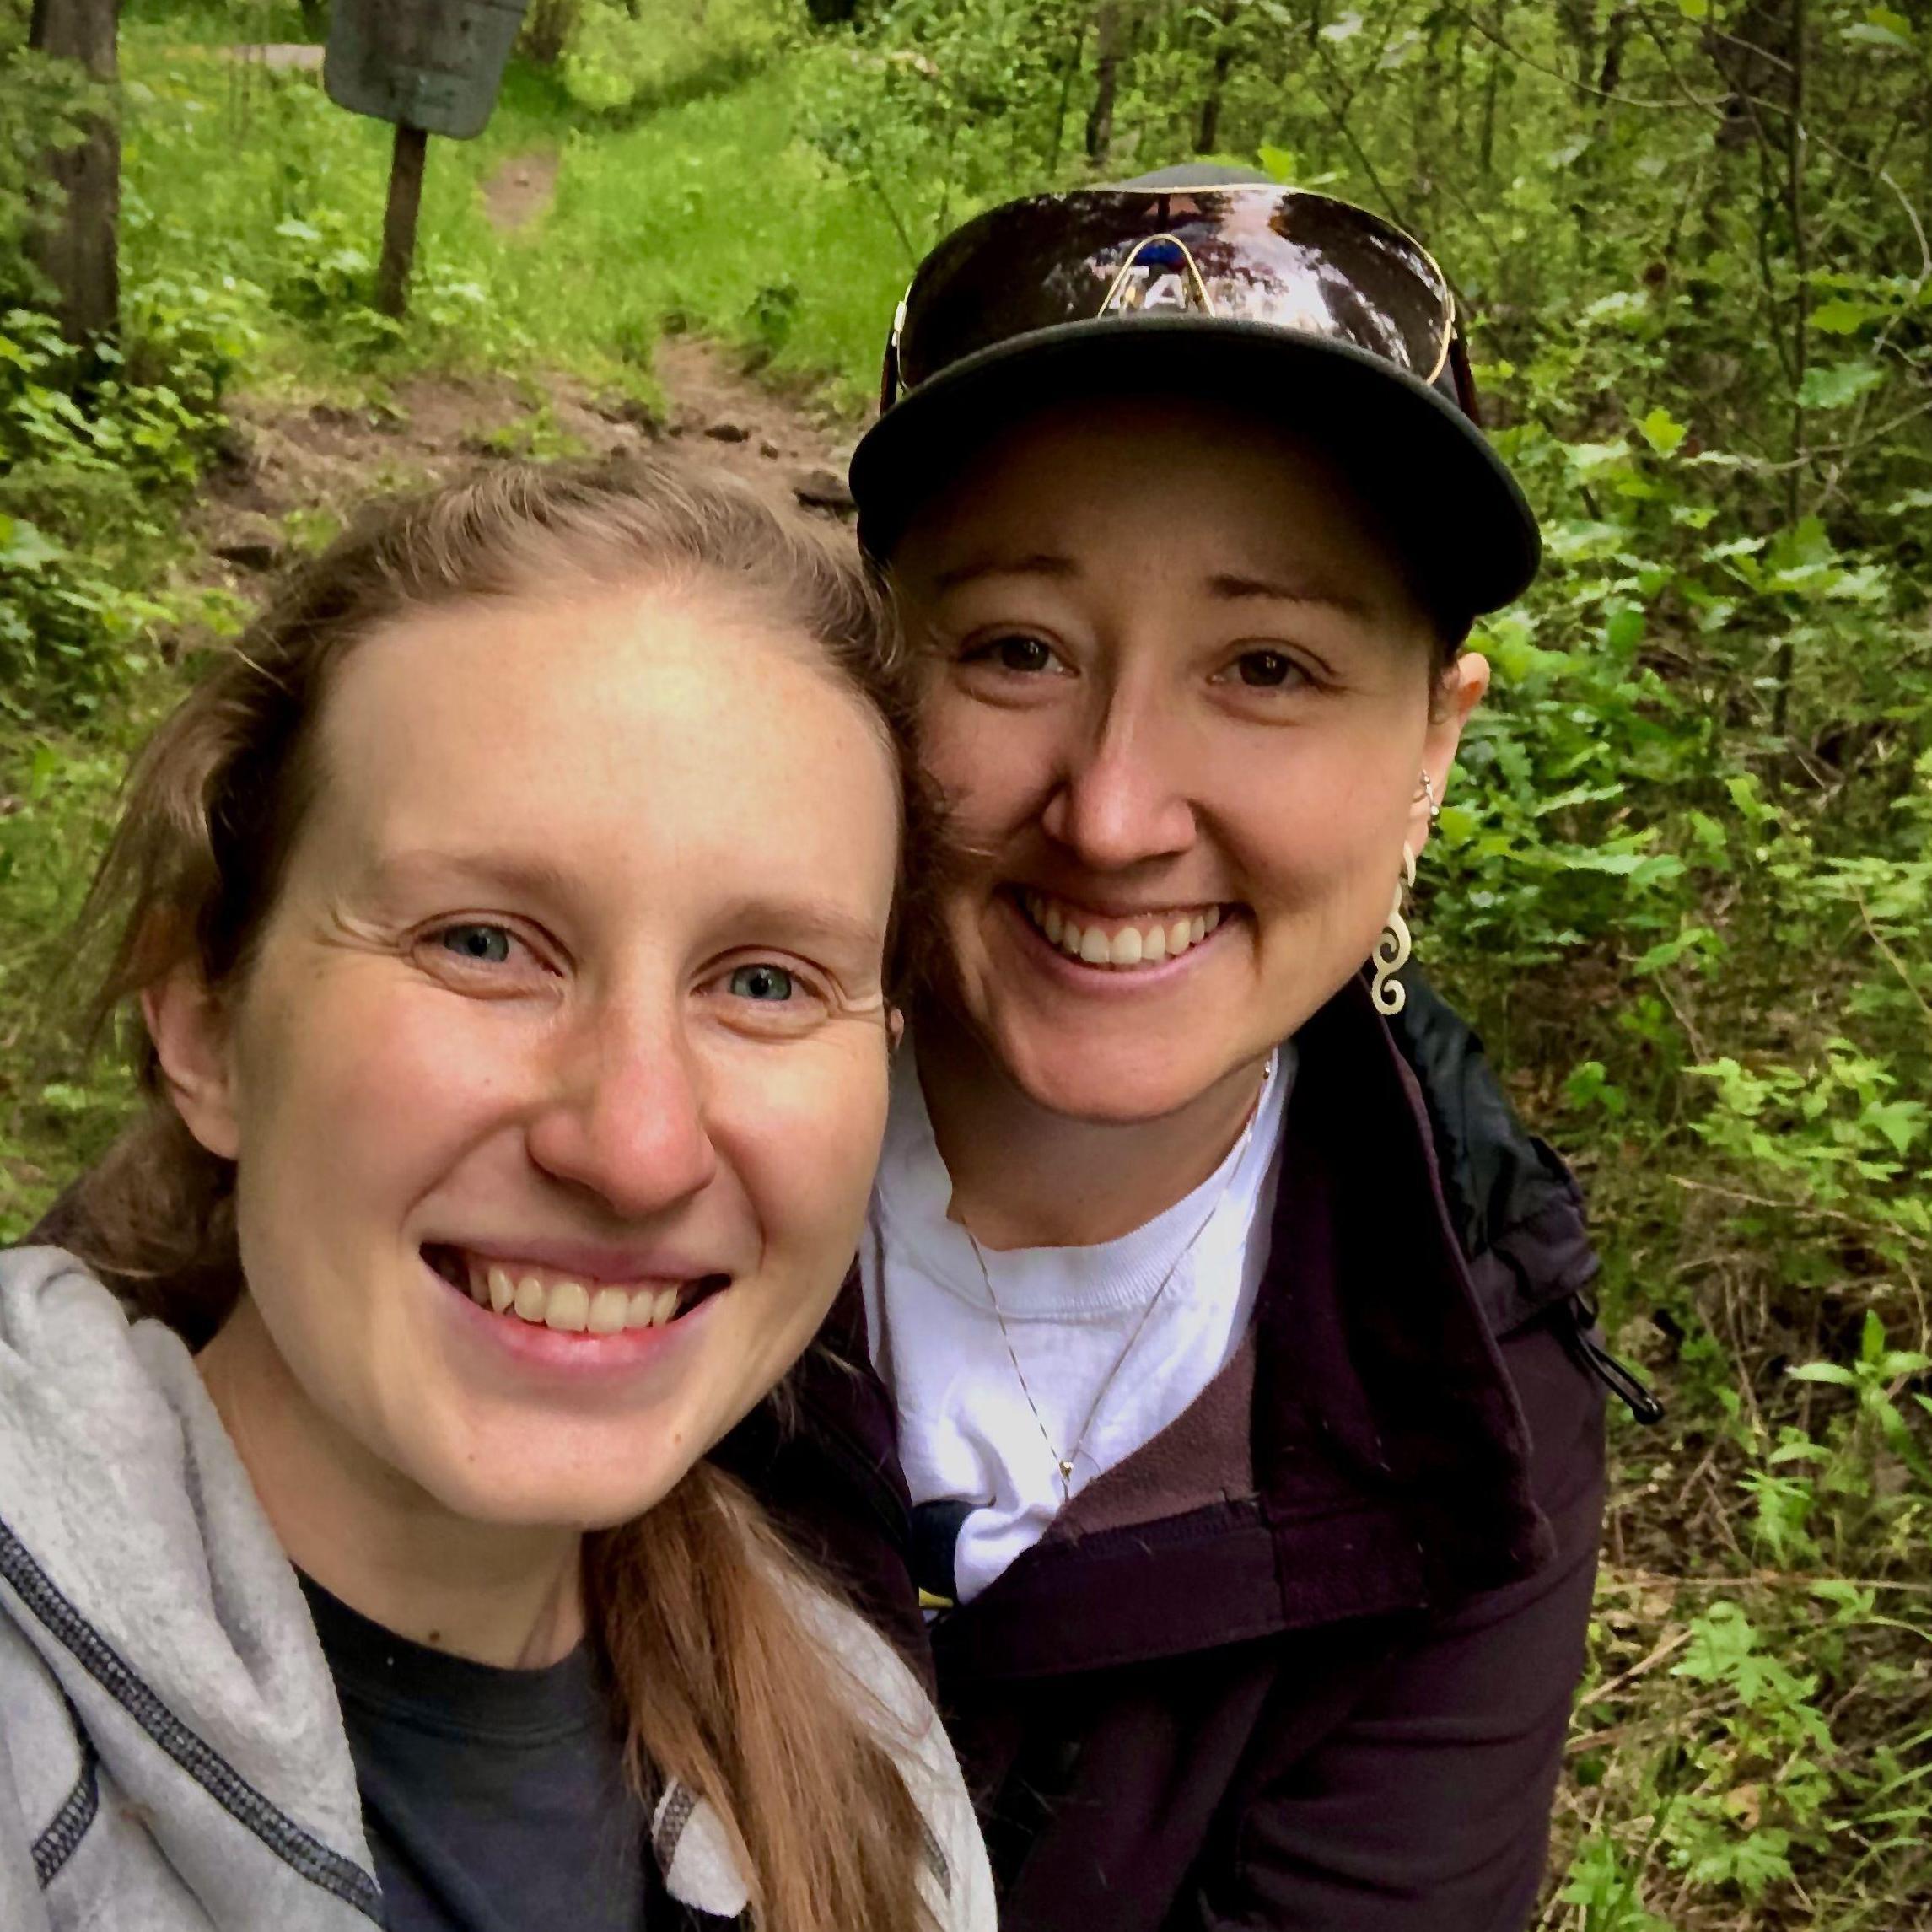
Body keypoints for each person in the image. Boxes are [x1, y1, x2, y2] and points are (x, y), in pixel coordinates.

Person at [725, 166, 1657, 1932]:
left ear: (1432, 748)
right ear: (871, 671)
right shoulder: (642, 1142)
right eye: (1016, 649)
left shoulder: (1461, 1370)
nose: (1117, 809)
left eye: (1271, 668)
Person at [0, 460, 995, 1932]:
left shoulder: (872, 1784)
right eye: (482, 944)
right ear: (204, 1020)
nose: (638, 1143)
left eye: (767, 982)